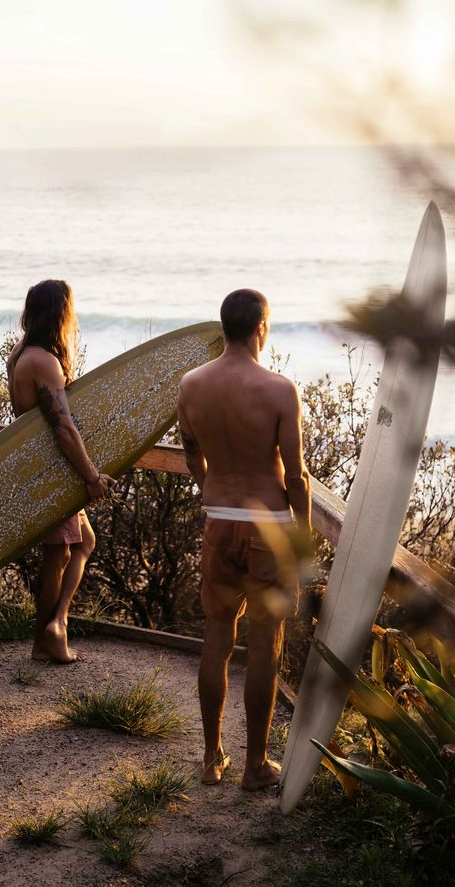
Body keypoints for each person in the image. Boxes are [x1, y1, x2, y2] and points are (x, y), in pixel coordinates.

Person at [177, 288, 311, 790]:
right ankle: (255, 765)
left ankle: (212, 759)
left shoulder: (191, 385)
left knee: (215, 638)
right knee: (265, 645)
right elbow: (295, 477)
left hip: (220, 520)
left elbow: (193, 454)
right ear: (262, 328)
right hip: (268, 530)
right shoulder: (279, 390)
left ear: (222, 329)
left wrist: (212, 490)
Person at [7, 279, 115, 664]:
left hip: (43, 465)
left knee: (83, 543)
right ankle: (45, 639)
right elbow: (63, 427)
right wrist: (90, 475)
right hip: (51, 467)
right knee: (59, 553)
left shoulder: (23, 351)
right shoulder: (43, 361)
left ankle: (56, 625)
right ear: (61, 313)